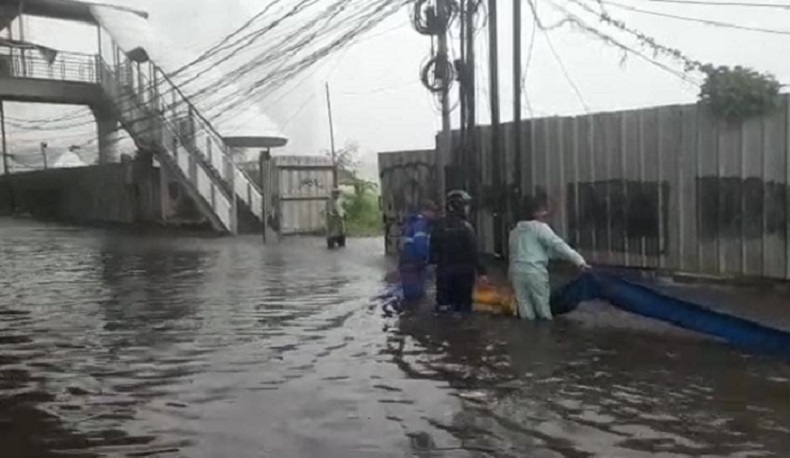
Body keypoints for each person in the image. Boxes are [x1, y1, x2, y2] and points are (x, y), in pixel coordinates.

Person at [508, 197, 590, 321]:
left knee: (525, 310)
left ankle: (526, 336)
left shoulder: (515, 231)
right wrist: (579, 261)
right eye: (542, 210)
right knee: (542, 310)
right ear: (535, 213)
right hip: (535, 272)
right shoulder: (540, 228)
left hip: (516, 273)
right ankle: (544, 337)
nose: (545, 213)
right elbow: (559, 245)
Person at [429, 190, 488, 313]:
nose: (468, 209)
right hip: (463, 276)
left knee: (443, 309)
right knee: (463, 310)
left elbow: (432, 251)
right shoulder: (466, 228)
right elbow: (474, 252)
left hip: (444, 275)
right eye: (466, 205)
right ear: (459, 206)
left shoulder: (438, 226)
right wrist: (482, 272)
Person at [398, 201, 437, 300]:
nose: (434, 215)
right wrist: (427, 262)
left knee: (414, 295)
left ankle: (408, 313)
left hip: (409, 264)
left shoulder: (415, 224)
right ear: (425, 211)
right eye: (432, 212)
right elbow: (420, 244)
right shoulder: (421, 225)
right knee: (414, 297)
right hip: (413, 264)